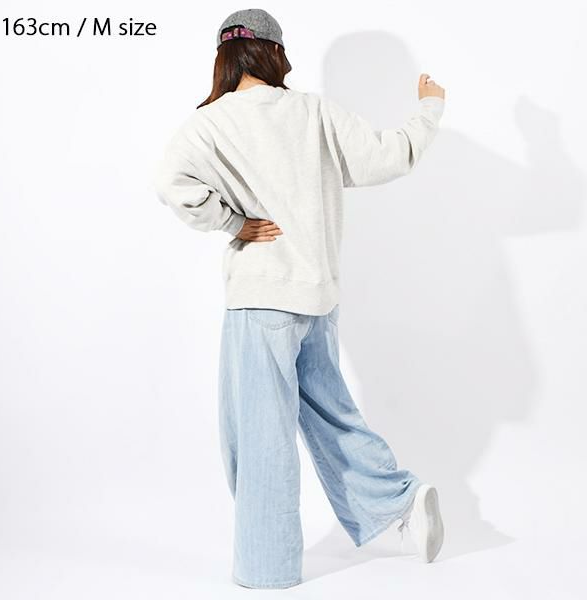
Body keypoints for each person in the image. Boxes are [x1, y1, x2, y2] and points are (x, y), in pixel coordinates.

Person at [154, 8, 446, 590]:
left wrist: (233, 222)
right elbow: (387, 157)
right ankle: (398, 501)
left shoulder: (210, 123)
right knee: (332, 415)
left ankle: (268, 568)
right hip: (317, 300)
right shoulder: (313, 112)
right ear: (274, 52)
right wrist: (429, 108)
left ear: (225, 57)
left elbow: (170, 183)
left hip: (261, 301)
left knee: (259, 437)